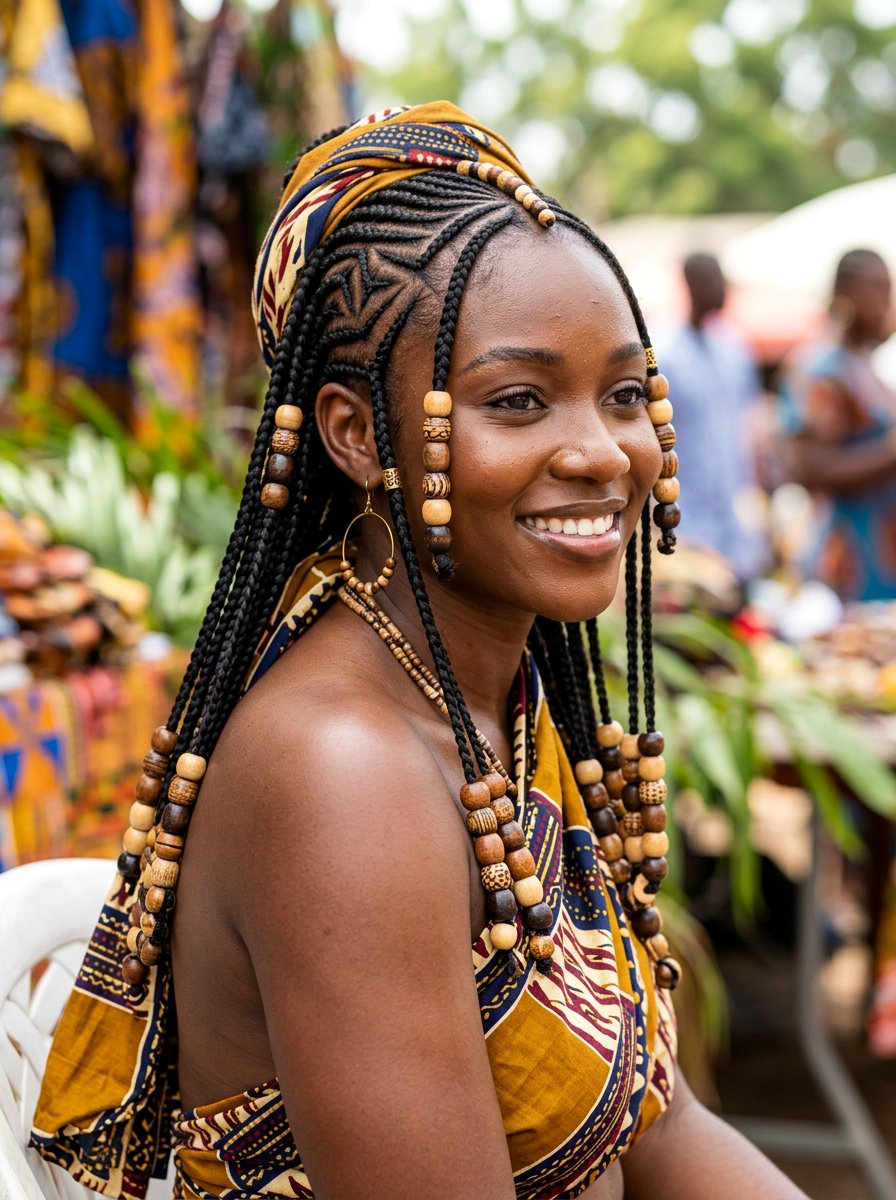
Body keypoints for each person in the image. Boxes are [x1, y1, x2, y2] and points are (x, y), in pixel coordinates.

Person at [30, 104, 806, 1200]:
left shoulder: (503, 706)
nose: (598, 451)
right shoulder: (342, 769)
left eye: (625, 394)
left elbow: (661, 1124)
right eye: (517, 400)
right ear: (354, 434)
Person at [780, 248, 896, 602]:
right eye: (876, 289)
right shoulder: (822, 370)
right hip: (847, 559)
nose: (886, 302)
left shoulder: (863, 366)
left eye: (888, 290)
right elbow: (810, 467)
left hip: (881, 552)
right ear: (844, 294)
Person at [656, 252, 766, 584]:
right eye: (712, 279)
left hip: (735, 520)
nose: (721, 288)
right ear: (692, 284)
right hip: (686, 521)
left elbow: (750, 427)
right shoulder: (666, 355)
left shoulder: (734, 349)